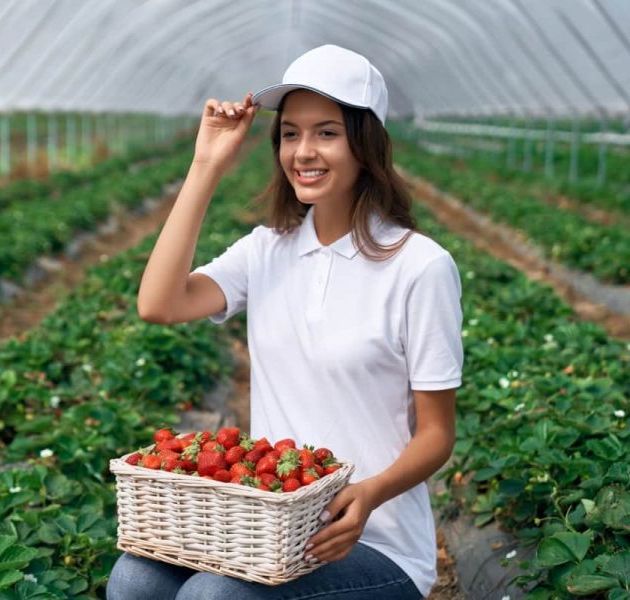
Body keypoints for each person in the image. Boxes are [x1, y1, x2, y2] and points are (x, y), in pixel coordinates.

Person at [107, 44, 463, 599]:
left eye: (326, 132)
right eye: (290, 133)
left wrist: (368, 494)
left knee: (214, 597)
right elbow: (159, 304)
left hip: (374, 542)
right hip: (267, 527)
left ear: (366, 143)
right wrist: (206, 166)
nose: (303, 151)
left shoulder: (420, 267)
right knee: (134, 579)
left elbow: (438, 434)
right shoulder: (266, 251)